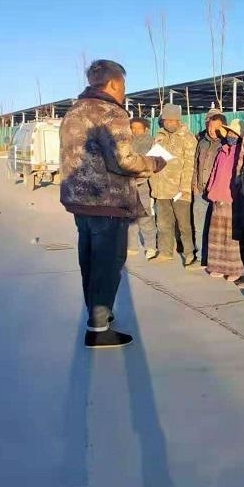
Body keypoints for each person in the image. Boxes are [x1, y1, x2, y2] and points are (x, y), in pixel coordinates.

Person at [59, 59, 166, 348]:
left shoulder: (74, 110)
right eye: (124, 85)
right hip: (107, 201)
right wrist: (155, 163)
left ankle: (98, 312)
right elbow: (124, 160)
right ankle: (98, 328)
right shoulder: (110, 112)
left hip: (80, 201)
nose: (124, 91)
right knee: (108, 264)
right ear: (114, 83)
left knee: (90, 261)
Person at [150, 103, 198, 266]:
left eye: (172, 120)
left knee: (184, 224)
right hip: (161, 188)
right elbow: (153, 160)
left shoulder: (187, 138)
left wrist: (184, 188)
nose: (169, 123)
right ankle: (165, 251)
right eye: (166, 120)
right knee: (163, 223)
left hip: (180, 190)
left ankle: (189, 253)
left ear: (178, 120)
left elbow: (190, 165)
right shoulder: (159, 137)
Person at [204, 121, 244, 281]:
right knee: (217, 236)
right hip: (218, 197)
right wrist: (210, 187)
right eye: (229, 133)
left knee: (231, 237)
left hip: (232, 199)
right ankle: (217, 266)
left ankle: (234, 270)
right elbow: (214, 171)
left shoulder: (241, 152)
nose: (230, 136)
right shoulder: (222, 151)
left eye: (234, 134)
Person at [193, 109, 226, 267]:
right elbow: (195, 164)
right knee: (199, 226)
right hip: (200, 191)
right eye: (210, 127)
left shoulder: (226, 144)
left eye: (216, 128)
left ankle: (215, 259)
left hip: (217, 193)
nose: (212, 131)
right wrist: (195, 185)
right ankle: (201, 256)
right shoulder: (202, 142)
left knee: (216, 229)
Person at [127, 117, 158, 260]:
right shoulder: (126, 142)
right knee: (130, 217)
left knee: (145, 216)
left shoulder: (152, 143)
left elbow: (154, 163)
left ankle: (150, 246)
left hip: (144, 184)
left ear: (146, 129)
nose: (135, 131)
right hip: (128, 184)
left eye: (138, 128)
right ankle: (132, 245)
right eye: (133, 128)